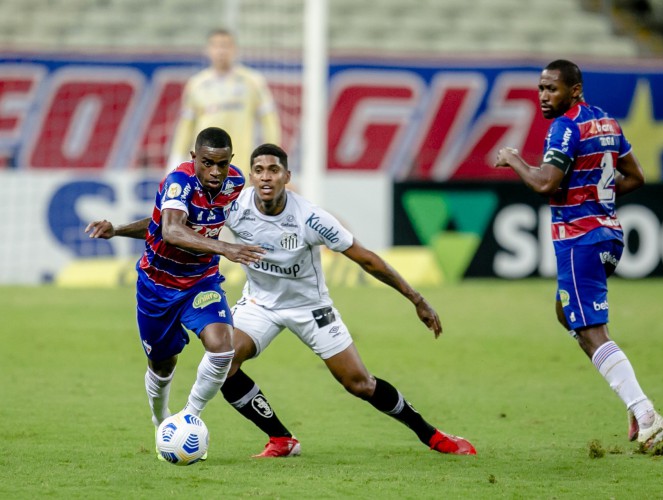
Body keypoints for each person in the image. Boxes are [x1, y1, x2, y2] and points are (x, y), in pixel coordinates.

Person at [218, 143, 476, 457]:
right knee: (223, 361)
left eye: (274, 170)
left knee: (359, 383)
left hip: (311, 308)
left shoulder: (310, 218)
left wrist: (417, 299)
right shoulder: (234, 206)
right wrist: (157, 229)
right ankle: (281, 439)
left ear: (287, 175)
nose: (266, 177)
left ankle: (431, 435)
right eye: (259, 170)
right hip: (259, 304)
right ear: (250, 176)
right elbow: (181, 226)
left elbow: (367, 259)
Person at [493, 59, 663, 450]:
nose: (543, 96)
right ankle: (631, 396)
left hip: (580, 239)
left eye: (551, 88)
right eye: (540, 88)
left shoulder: (565, 127)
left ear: (574, 90)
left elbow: (544, 183)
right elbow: (636, 176)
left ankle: (644, 413)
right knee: (566, 312)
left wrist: (514, 159)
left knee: (591, 330)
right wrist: (595, 196)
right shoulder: (606, 122)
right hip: (608, 235)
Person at [85, 127, 266, 460]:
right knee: (162, 366)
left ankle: (189, 415)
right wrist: (226, 247)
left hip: (201, 281)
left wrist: (118, 230)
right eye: (208, 162)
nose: (215, 171)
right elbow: (167, 229)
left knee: (222, 347)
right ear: (193, 157)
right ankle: (161, 420)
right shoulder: (179, 181)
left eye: (222, 164)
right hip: (158, 287)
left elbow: (162, 222)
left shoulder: (236, 184)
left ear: (231, 162)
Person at [168, 28, 282, 176]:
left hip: (241, 165)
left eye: (226, 45)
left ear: (235, 49)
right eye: (216, 46)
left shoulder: (253, 82)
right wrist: (175, 159)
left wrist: (273, 156)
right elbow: (186, 126)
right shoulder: (196, 84)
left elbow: (269, 120)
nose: (221, 51)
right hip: (206, 167)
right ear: (208, 50)